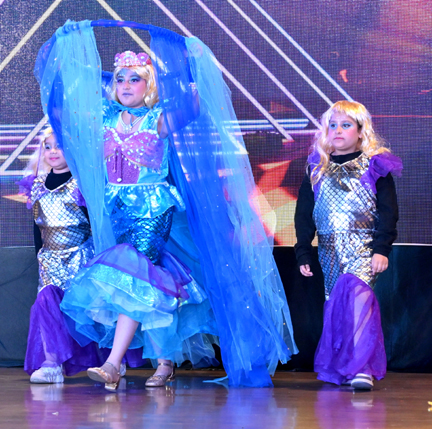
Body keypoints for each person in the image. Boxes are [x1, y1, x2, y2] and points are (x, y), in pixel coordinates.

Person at [36, 20, 297, 389]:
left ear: (149, 86)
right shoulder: (106, 118)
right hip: (118, 211)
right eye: (121, 79)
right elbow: (63, 111)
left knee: (133, 275)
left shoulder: (157, 119)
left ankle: (113, 364)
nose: (126, 85)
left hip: (152, 209)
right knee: (152, 281)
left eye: (135, 79)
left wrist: (193, 61)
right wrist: (65, 48)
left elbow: (192, 107)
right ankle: (164, 361)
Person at [294, 100, 402, 390]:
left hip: (363, 247)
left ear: (361, 131)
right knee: (337, 306)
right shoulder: (316, 168)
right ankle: (344, 366)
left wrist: (381, 249)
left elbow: (388, 211)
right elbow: (304, 214)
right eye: (333, 125)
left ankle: (362, 368)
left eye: (346, 125)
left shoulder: (375, 166)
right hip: (329, 249)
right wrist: (303, 250)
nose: (338, 130)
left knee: (358, 301)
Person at [19, 127, 107, 383]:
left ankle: (108, 359)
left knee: (88, 310)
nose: (53, 151)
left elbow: (95, 224)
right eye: (48, 147)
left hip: (80, 257)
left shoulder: (80, 184)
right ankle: (51, 363)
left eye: (59, 146)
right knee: (46, 305)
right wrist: (39, 256)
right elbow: (38, 225)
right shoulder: (36, 185)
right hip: (49, 259)